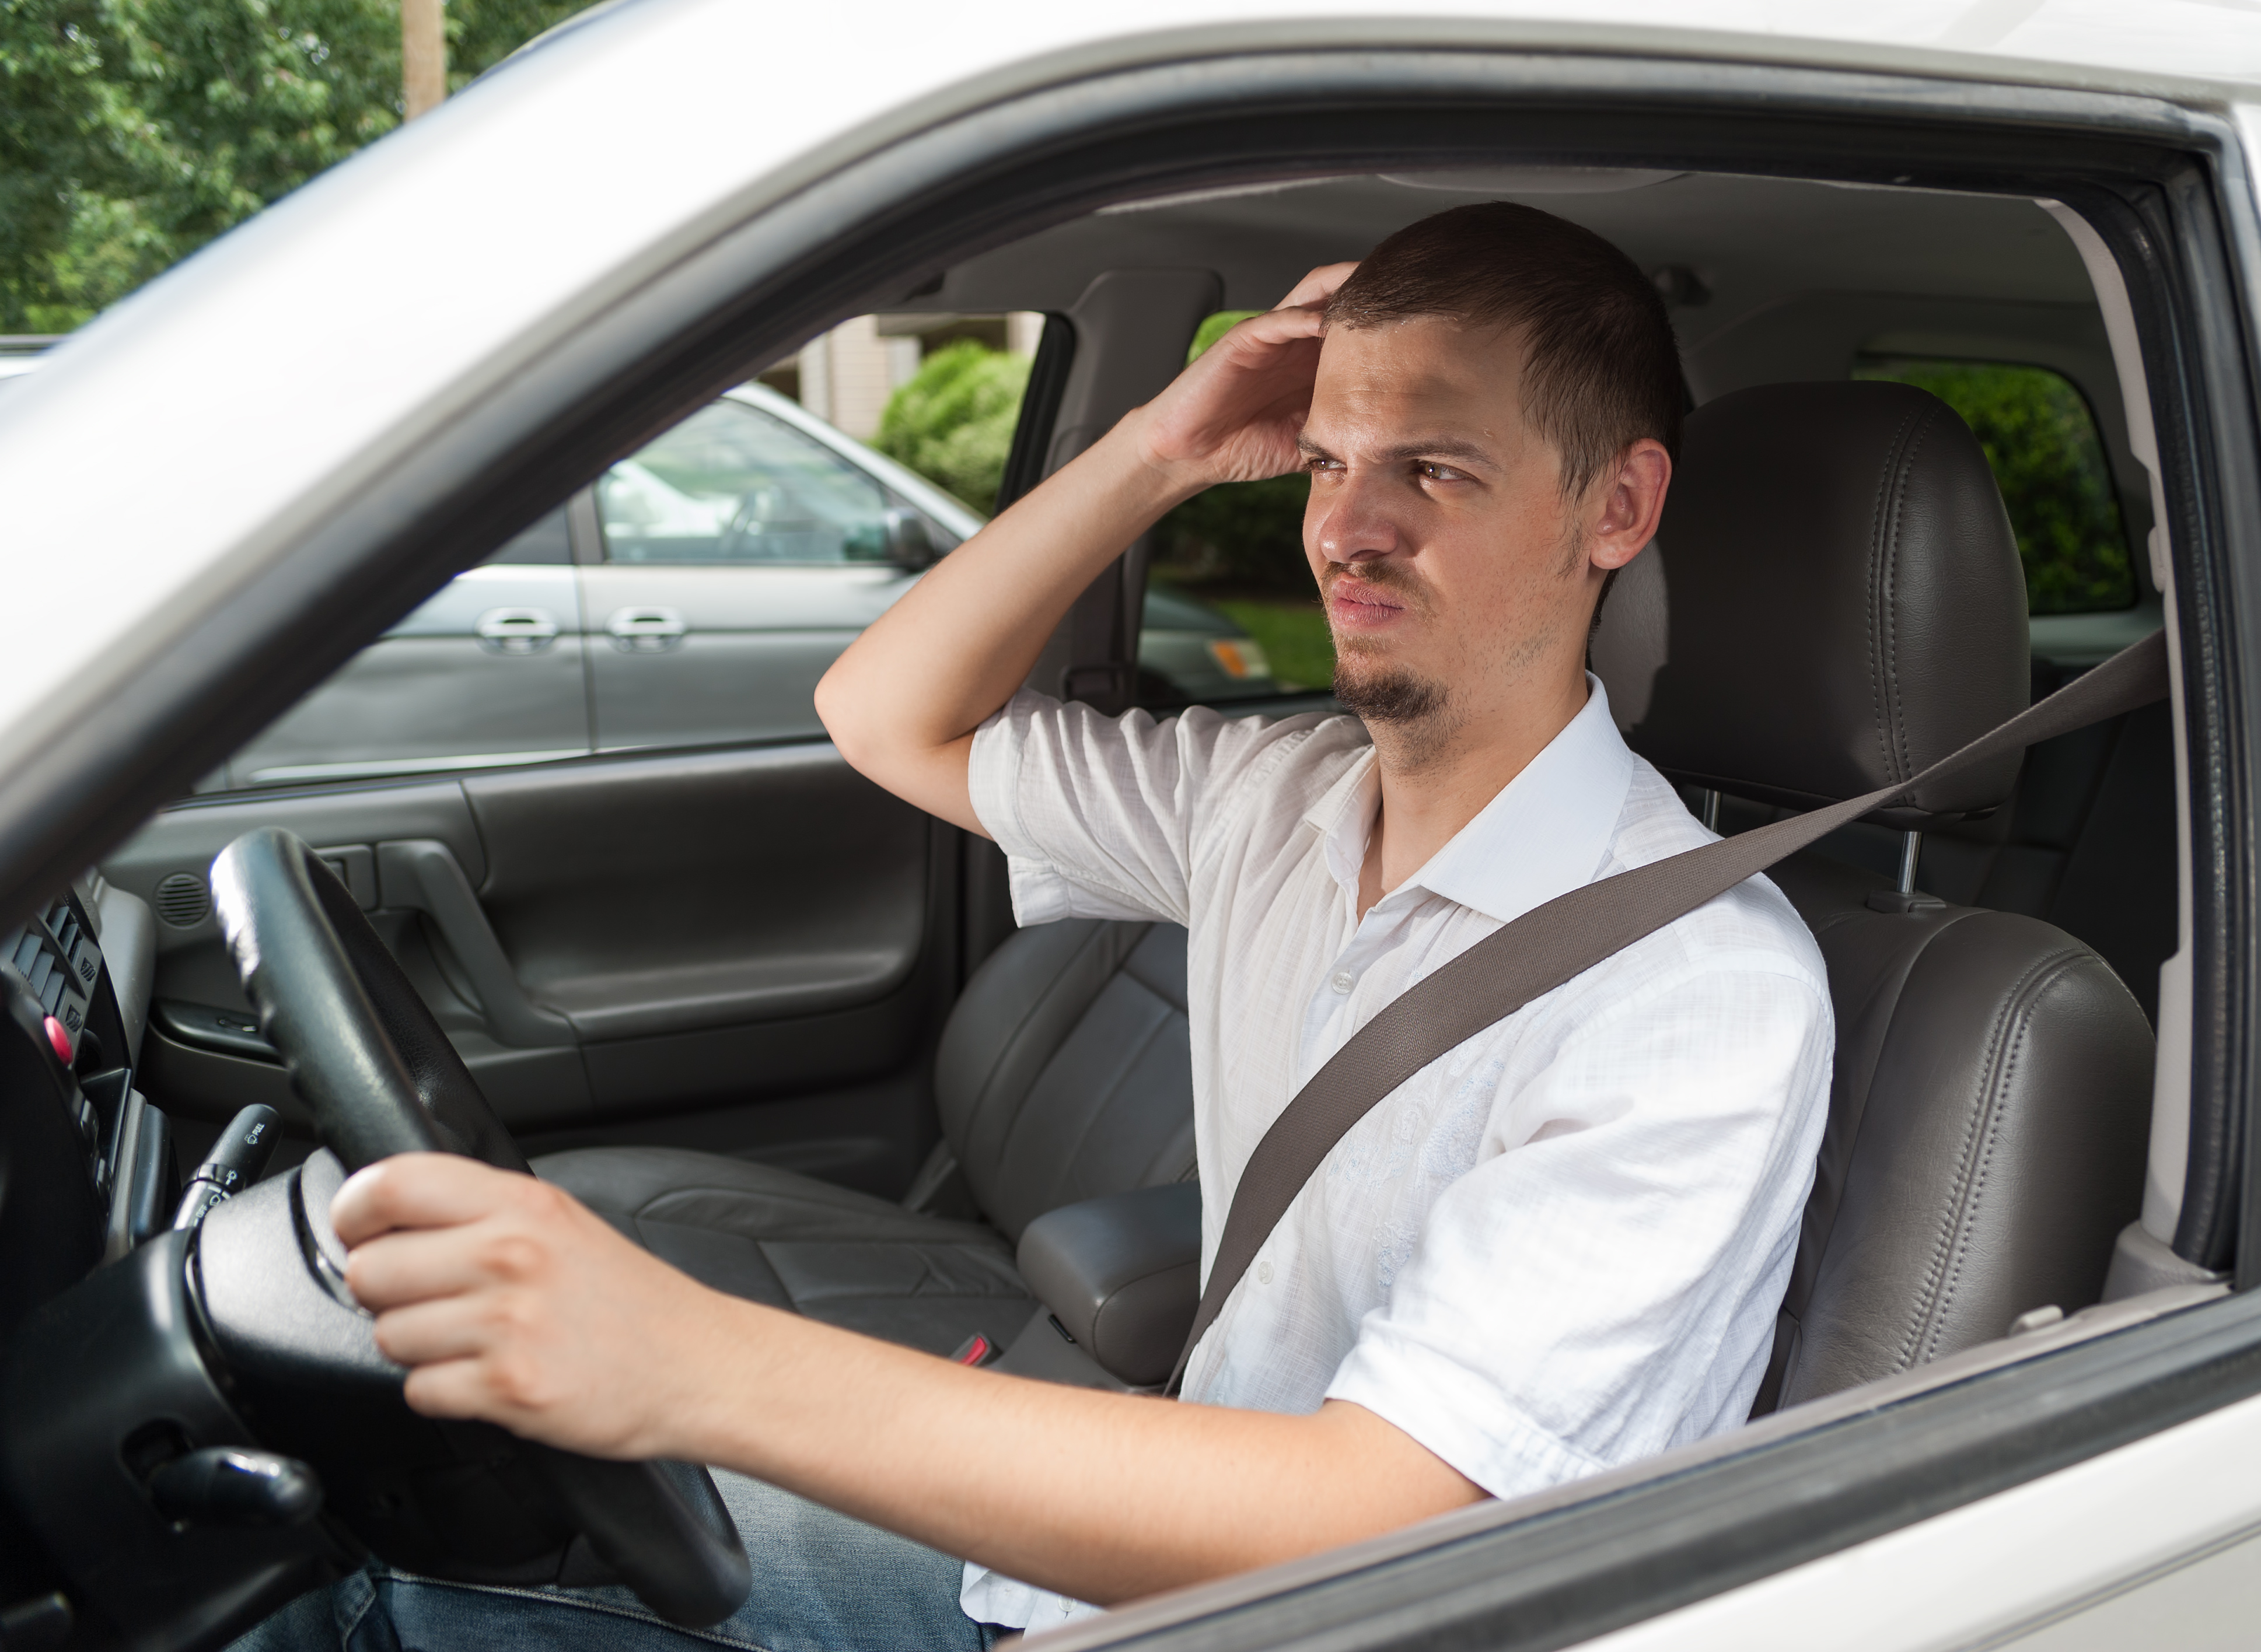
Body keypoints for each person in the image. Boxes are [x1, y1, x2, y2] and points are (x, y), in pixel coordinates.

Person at [237, 202, 1832, 1651]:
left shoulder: (1696, 994)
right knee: (381, 1564)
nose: (1347, 527)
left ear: (1618, 506)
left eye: (1435, 468)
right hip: (1128, 1572)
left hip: (1309, 1613)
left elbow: (1381, 1526)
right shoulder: (1269, 798)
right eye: (1333, 460)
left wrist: (690, 1357)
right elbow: (885, 715)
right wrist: (1169, 441)